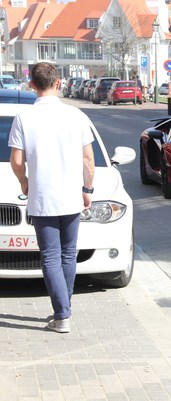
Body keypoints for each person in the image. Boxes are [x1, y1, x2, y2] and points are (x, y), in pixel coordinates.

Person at [9, 62, 95, 334]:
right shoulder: (76, 115)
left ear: (32, 85)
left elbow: (16, 160)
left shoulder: (24, 117)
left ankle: (62, 313)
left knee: (50, 256)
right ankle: (63, 311)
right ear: (58, 83)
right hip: (71, 195)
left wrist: (25, 181)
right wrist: (87, 189)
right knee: (69, 254)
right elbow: (88, 159)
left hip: (42, 196)